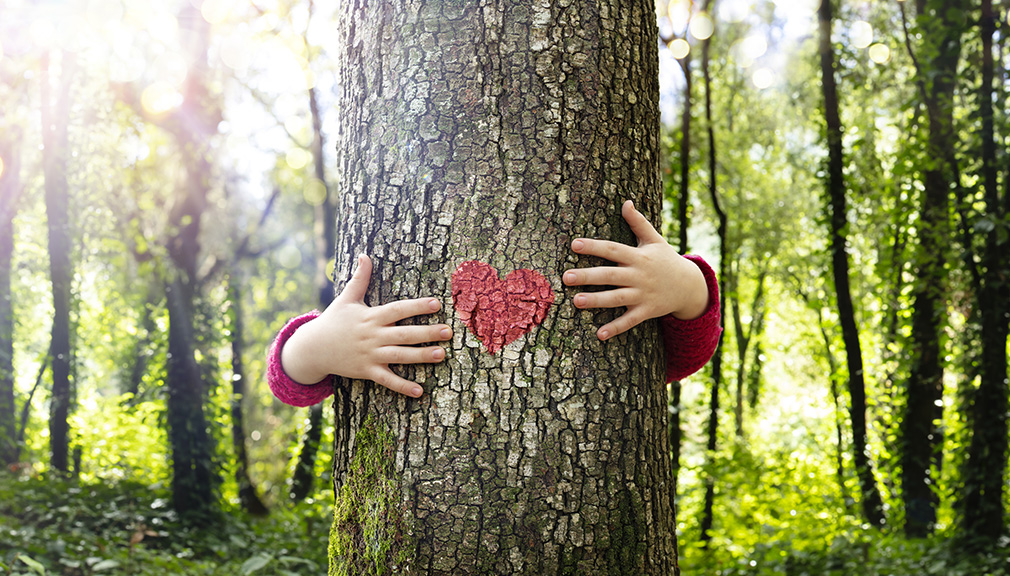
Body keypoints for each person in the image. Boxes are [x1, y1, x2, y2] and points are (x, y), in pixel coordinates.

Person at [267, 200, 721, 407]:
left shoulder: (642, 292)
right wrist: (317, 346)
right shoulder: (356, 333)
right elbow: (287, 378)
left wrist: (685, 284)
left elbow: (681, 357)